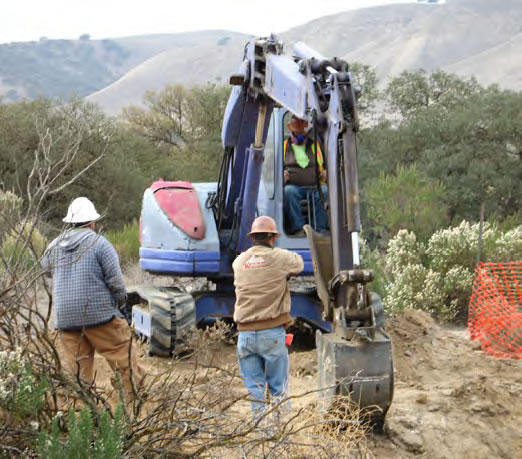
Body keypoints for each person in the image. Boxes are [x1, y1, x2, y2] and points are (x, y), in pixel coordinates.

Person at [42, 197, 144, 404]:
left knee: (78, 373)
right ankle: (131, 408)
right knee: (124, 364)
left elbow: (45, 270)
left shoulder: (53, 245)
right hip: (100, 316)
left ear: (69, 222)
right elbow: (115, 281)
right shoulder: (99, 244)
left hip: (66, 319)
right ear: (91, 223)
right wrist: (121, 304)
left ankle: (82, 416)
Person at [233, 216, 304, 418]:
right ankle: (281, 439)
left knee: (255, 393)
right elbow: (298, 264)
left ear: (253, 237)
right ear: (273, 238)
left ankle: (261, 440)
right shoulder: (279, 258)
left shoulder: (239, 262)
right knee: (278, 391)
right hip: (271, 334)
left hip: (244, 336)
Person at [283, 114, 329, 236]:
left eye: (302, 125)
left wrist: (326, 172)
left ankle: (320, 230)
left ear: (306, 127)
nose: (299, 130)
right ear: (290, 127)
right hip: (295, 187)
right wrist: (282, 176)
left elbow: (325, 163)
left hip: (315, 186)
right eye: (296, 126)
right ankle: (298, 229)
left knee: (324, 192)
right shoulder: (284, 147)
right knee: (288, 192)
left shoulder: (315, 145)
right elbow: (274, 171)